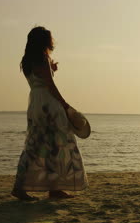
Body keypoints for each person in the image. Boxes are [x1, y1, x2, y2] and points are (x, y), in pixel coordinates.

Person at [11, 26, 88, 201]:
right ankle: (54, 190)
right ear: (44, 41)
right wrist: (65, 104)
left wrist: (51, 68)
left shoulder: (27, 60)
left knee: (34, 145)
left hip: (35, 104)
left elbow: (38, 79)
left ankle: (20, 187)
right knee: (56, 144)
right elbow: (50, 86)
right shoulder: (43, 58)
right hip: (48, 104)